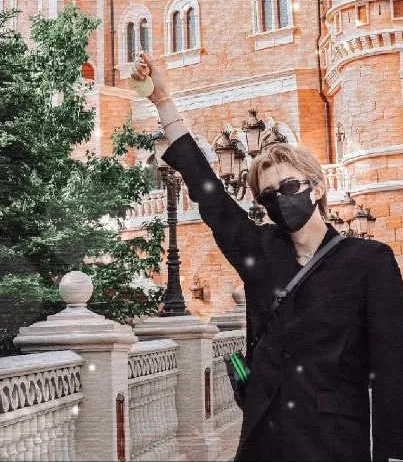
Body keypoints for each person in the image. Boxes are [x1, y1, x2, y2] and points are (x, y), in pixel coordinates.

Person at [131, 53, 403, 462]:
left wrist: (393, 453)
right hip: (264, 435)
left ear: (317, 185)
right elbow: (209, 193)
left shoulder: (369, 260)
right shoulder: (260, 251)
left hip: (333, 440)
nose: (280, 199)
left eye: (289, 185)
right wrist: (163, 102)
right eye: (268, 195)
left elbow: (391, 365)